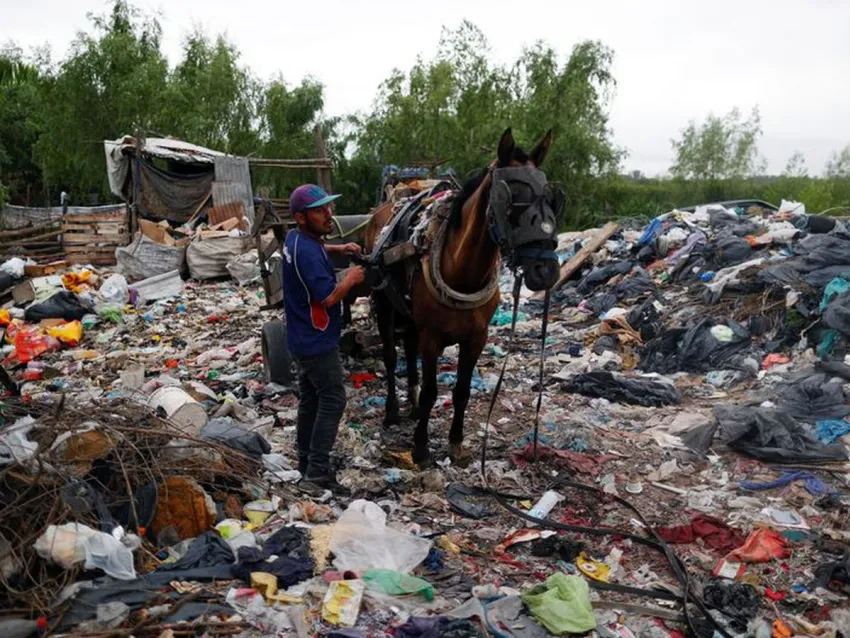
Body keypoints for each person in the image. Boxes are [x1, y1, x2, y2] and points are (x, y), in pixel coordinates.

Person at [282, 184, 365, 494]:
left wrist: (338, 249)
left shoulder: (296, 239)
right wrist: (351, 278)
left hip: (299, 336)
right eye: (320, 211)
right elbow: (329, 298)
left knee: (311, 399)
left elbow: (314, 250)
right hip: (317, 340)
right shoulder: (308, 252)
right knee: (333, 399)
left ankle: (305, 461)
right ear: (302, 217)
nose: (329, 215)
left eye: (329, 207)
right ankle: (317, 471)